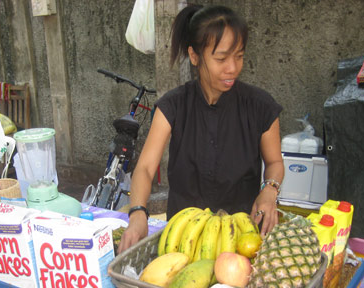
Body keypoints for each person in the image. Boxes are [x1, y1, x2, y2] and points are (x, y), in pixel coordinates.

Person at [118, 4, 284, 253]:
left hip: (240, 240)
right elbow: (144, 168)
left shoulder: (260, 106)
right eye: (221, 58)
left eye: (239, 56)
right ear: (194, 56)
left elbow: (275, 163)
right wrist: (138, 212)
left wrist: (270, 190)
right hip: (184, 239)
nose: (232, 68)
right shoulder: (172, 106)